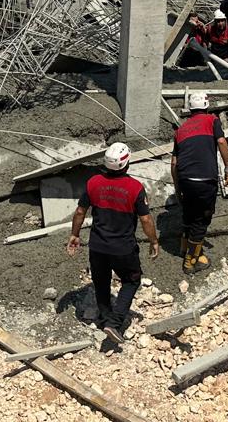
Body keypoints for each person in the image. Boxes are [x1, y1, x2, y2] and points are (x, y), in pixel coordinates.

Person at [67, 142, 159, 344]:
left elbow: (80, 212)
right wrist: (153, 241)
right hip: (123, 248)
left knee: (101, 282)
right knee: (131, 280)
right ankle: (114, 323)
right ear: (126, 163)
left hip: (97, 246)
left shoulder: (93, 183)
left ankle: (104, 317)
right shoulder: (135, 188)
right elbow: (145, 219)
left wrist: (74, 235)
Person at [171, 91, 228, 273]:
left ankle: (184, 247)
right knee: (201, 220)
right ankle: (191, 261)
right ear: (206, 106)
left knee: (189, 215)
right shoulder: (212, 120)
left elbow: (174, 163)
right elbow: (221, 142)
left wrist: (177, 187)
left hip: (185, 180)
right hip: (205, 180)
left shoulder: (180, 130)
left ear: (190, 109)